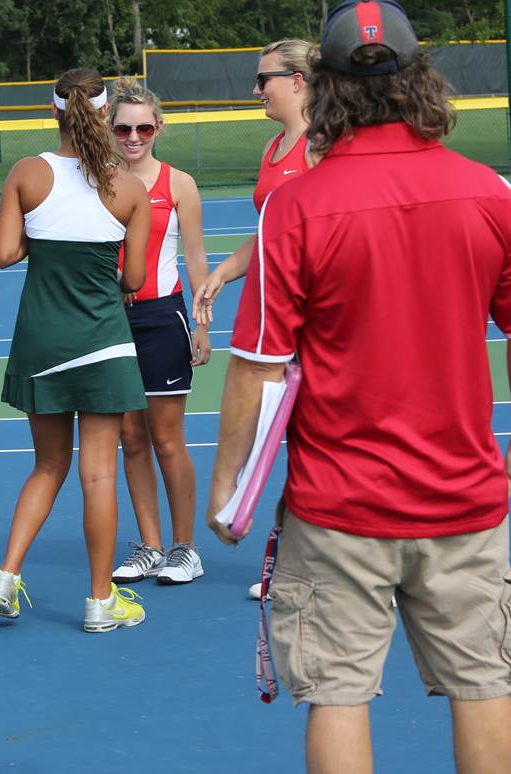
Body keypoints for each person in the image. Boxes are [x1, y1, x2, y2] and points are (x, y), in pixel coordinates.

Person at [206, 0, 511, 774]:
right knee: (481, 682)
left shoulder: (294, 208)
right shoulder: (489, 193)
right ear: (421, 78)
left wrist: (229, 482)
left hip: (337, 505)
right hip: (461, 498)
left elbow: (259, 364)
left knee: (336, 695)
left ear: (323, 85)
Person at [0, 67, 153, 633]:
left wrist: (45, 233)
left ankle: (5, 578)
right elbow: (132, 279)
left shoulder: (27, 174)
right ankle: (99, 603)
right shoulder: (129, 189)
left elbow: (5, 253)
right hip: (103, 344)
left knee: (47, 465)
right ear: (105, 113)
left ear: (53, 111)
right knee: (99, 476)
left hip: (41, 343)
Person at [191, 38, 319, 600]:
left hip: (314, 318)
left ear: (298, 80)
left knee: (321, 448)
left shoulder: (323, 146)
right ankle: (292, 565)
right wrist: (226, 271)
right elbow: (274, 230)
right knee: (293, 445)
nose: (256, 89)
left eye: (265, 77)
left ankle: (362, 565)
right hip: (273, 316)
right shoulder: (274, 148)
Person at [105, 77, 213, 586]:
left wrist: (202, 323)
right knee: (130, 438)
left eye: (143, 127)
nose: (133, 136)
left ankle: (184, 547)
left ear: (158, 128)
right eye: (123, 127)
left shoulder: (179, 184)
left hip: (161, 318)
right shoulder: (97, 181)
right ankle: (149, 545)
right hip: (110, 322)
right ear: (110, 129)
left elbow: (194, 258)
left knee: (168, 439)